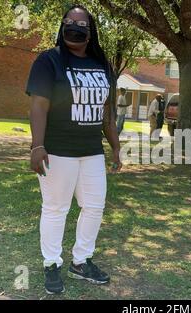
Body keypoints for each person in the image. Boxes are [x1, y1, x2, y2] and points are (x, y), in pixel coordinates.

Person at [26, 4, 122, 295]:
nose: (74, 25)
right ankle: (51, 264)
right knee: (56, 209)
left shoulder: (102, 64)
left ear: (90, 31)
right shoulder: (49, 61)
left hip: (91, 151)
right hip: (57, 150)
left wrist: (115, 148)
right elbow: (38, 105)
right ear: (62, 26)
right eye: (69, 21)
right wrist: (37, 145)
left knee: (94, 208)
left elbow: (107, 113)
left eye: (81, 23)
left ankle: (81, 261)